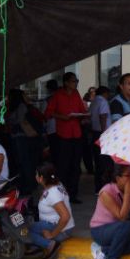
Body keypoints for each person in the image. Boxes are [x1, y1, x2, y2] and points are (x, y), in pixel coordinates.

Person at [44, 72, 88, 204]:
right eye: (74, 81)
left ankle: (73, 195)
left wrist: (84, 116)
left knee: (75, 166)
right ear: (66, 83)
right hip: (63, 135)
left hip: (77, 134)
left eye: (76, 81)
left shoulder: (76, 94)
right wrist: (62, 117)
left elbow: (81, 110)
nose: (76, 84)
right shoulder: (58, 95)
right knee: (63, 167)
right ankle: (61, 195)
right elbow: (48, 112)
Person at [29, 163, 75, 259]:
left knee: (25, 231)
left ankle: (50, 245)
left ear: (41, 178)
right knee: (32, 226)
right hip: (54, 226)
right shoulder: (57, 184)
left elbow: (65, 216)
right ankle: (38, 247)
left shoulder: (53, 193)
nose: (35, 176)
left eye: (36, 174)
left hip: (61, 230)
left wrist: (52, 234)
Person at [7, 88, 41, 194]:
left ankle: (28, 185)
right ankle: (27, 184)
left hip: (22, 137)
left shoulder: (20, 107)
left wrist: (10, 119)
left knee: (24, 162)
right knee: (23, 162)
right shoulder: (16, 107)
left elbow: (19, 120)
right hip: (19, 137)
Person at [90, 86, 113, 192]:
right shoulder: (103, 101)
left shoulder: (94, 101)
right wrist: (104, 134)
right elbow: (103, 116)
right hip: (103, 133)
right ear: (105, 93)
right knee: (105, 162)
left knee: (98, 162)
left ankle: (97, 187)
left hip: (95, 132)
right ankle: (105, 187)